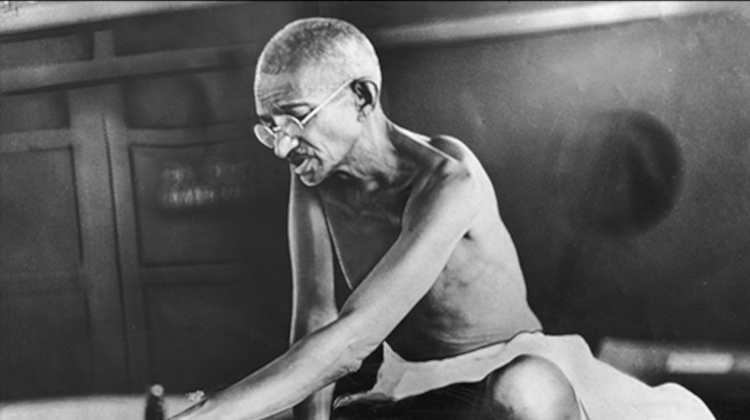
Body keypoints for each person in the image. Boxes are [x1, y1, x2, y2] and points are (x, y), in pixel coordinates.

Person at [169, 17, 715, 420]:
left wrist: (208, 414)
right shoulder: (314, 175)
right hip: (414, 386)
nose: (282, 145)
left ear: (361, 97)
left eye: (294, 121)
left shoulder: (448, 179)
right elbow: (315, 318)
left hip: (511, 373)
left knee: (523, 392)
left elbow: (354, 339)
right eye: (269, 127)